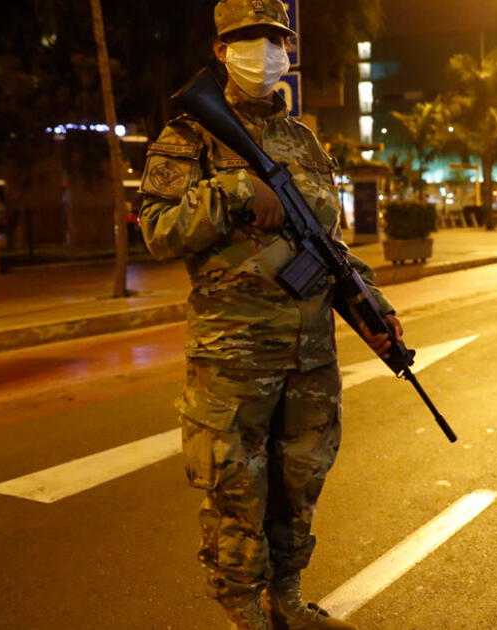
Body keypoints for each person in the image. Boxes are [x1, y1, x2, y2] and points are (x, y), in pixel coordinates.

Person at [137, 1, 399, 628]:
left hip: (310, 355)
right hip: (233, 358)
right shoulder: (188, 137)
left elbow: (327, 245)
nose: (265, 50)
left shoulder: (302, 140)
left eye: (274, 38)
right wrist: (228, 192)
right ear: (222, 50)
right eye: (248, 39)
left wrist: (373, 304)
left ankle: (286, 598)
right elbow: (158, 232)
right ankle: (246, 613)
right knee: (238, 494)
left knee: (299, 483)